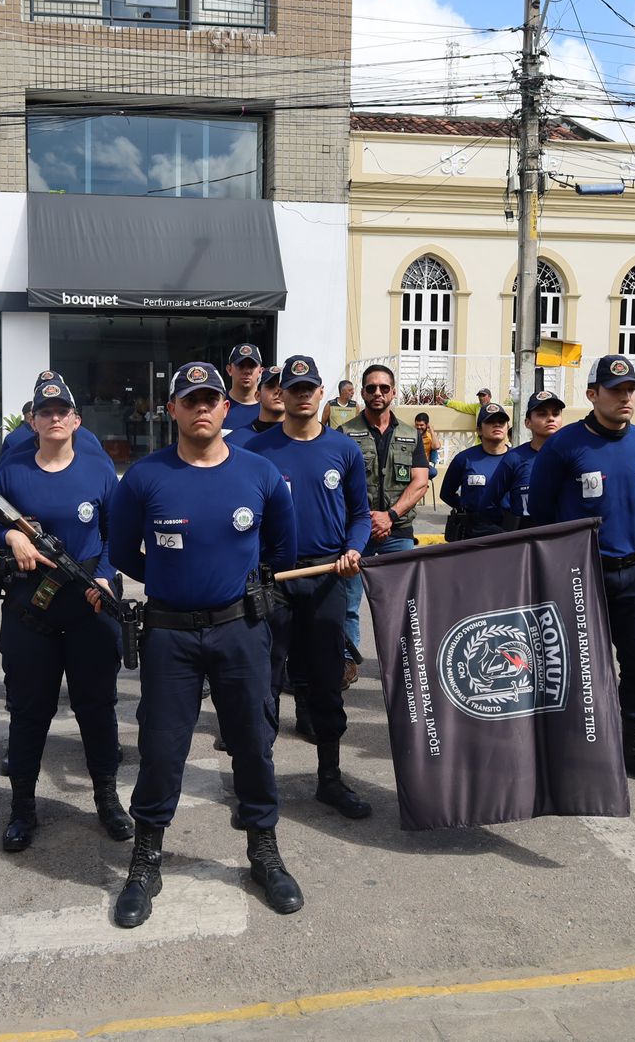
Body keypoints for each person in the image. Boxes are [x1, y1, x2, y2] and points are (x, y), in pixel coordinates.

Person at [107, 361, 301, 928]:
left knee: (252, 744)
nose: (201, 408)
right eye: (189, 400)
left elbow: (280, 553)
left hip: (241, 631)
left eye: (210, 399)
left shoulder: (260, 474)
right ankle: (146, 860)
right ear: (172, 410)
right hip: (169, 635)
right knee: (162, 749)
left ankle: (263, 849)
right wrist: (176, 583)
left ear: (225, 408)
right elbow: (122, 554)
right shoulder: (144, 478)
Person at [0, 374, 132, 852]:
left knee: (97, 708)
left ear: (76, 420)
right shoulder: (14, 471)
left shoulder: (99, 470)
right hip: (29, 610)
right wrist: (11, 537)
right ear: (32, 420)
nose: (55, 418)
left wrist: (104, 576)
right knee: (27, 712)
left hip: (89, 603)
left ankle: (106, 798)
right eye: (46, 412)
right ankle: (22, 808)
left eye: (63, 411)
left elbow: (116, 534)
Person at [529, 355, 635, 791]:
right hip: (581, 576)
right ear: (593, 394)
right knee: (576, 668)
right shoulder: (565, 446)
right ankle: (576, 749)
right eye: (615, 390)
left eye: (631, 389)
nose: (625, 397)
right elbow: (542, 511)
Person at [247, 356, 372, 820]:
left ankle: (330, 779)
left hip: (326, 578)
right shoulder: (256, 451)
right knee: (264, 682)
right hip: (271, 580)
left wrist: (354, 548)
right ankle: (258, 786)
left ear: (322, 393)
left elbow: (360, 514)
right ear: (280, 393)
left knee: (324, 681)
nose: (301, 394)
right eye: (292, 387)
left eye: (309, 387)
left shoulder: (344, 451)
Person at [339, 364, 430, 660]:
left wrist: (389, 515)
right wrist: (367, 519)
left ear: (393, 392)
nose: (377, 393)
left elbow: (420, 482)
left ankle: (398, 664)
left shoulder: (410, 434)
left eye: (384, 388)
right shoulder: (344, 434)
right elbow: (338, 486)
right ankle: (348, 661)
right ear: (362, 392)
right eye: (371, 388)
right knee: (349, 601)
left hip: (398, 531)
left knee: (400, 603)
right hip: (357, 532)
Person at [487, 390, 564, 527]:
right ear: (528, 423)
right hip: (526, 541)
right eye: (542, 414)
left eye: (556, 413)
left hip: (565, 541)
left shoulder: (574, 455)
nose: (551, 418)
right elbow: (489, 503)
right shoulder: (514, 458)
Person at [438, 403, 509, 540]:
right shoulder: (464, 459)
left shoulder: (517, 458)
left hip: (509, 531)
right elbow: (446, 493)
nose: (497, 425)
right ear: (479, 430)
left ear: (507, 427)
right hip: (474, 532)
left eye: (501, 422)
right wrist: (468, 509)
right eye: (490, 421)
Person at [225, 365, 284, 448]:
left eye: (283, 386)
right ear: (257, 396)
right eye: (270, 386)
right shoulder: (234, 440)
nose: (278, 391)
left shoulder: (301, 438)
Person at [224, 343, 264, 430]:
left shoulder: (269, 408)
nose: (246, 371)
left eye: (252, 366)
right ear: (229, 370)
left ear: (261, 371)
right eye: (240, 366)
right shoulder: (218, 406)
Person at [414, 412, 443, 478]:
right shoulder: (412, 435)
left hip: (424, 465)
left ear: (427, 425)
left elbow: (436, 447)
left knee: (433, 472)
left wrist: (431, 430)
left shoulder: (430, 437)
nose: (419, 427)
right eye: (417, 425)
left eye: (421, 425)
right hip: (413, 464)